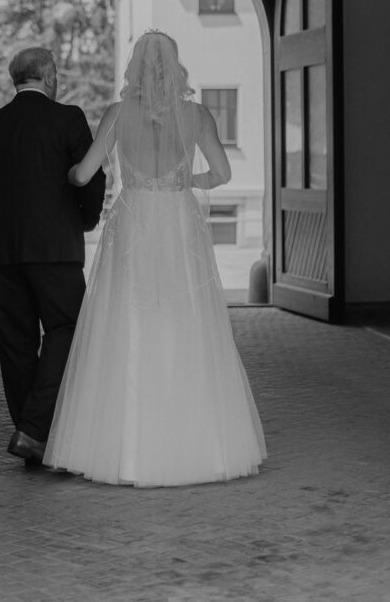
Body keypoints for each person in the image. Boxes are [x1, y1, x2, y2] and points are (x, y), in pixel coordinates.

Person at [43, 31, 267, 487]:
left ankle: (126, 450)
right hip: (179, 221)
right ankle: (200, 447)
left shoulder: (118, 114)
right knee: (186, 320)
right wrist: (186, 184)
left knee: (126, 320)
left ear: (134, 67)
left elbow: (85, 172)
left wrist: (65, 172)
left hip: (135, 220)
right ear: (176, 66)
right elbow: (222, 173)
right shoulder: (198, 114)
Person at [0, 46, 106, 465]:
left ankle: (31, 439)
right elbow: (91, 177)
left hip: (2, 254)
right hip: (55, 249)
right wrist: (86, 221)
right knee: (69, 327)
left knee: (16, 343)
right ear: (50, 76)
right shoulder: (68, 118)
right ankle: (34, 429)